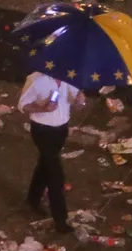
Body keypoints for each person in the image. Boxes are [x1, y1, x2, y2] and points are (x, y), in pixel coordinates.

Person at [18, 70, 84, 234]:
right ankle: (60, 219)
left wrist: (80, 101)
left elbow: (76, 103)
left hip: (61, 129)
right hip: (42, 131)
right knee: (56, 175)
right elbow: (23, 105)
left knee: (45, 165)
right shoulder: (36, 80)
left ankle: (33, 198)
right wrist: (42, 108)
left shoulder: (70, 75)